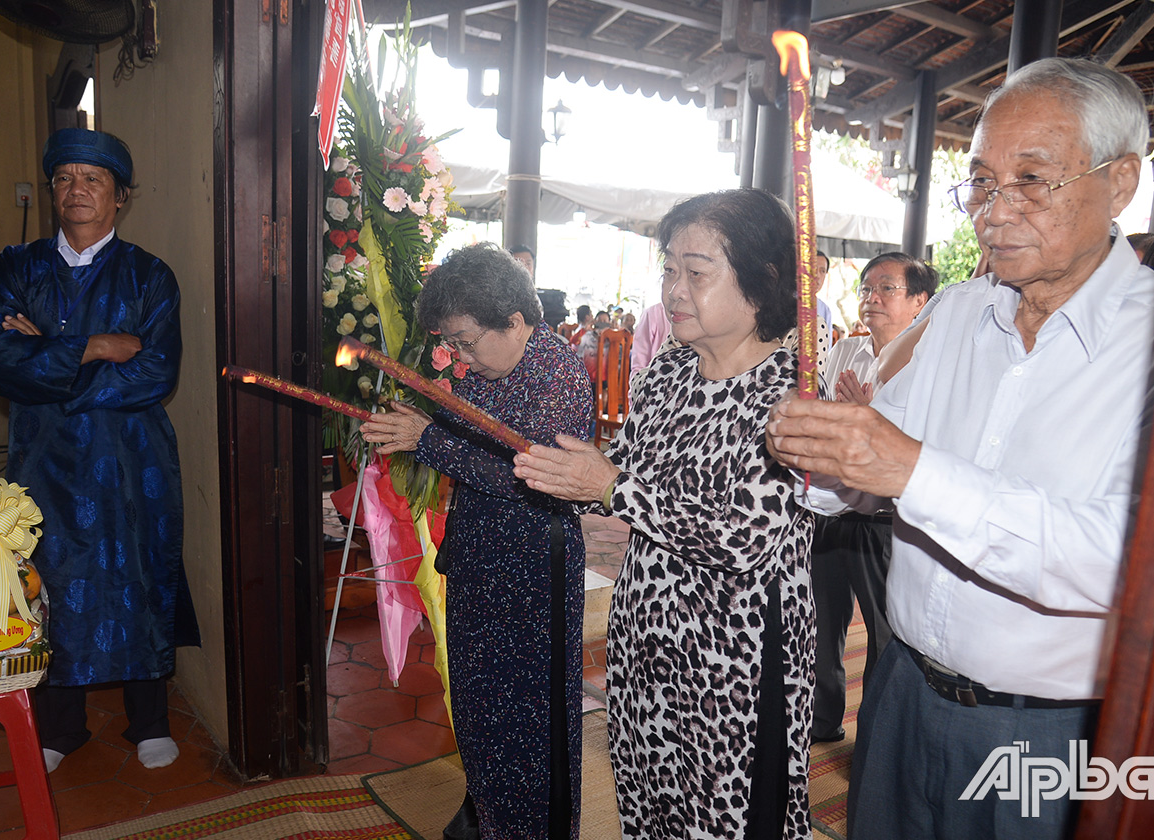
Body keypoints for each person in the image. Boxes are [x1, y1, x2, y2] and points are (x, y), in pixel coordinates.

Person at [765, 57, 1154, 839]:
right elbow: (873, 479)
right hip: (899, 692)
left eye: (1031, 179)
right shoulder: (957, 313)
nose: (994, 211)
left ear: (1120, 184)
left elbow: (1129, 560)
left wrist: (910, 469)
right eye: (981, 182)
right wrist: (818, 456)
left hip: (1050, 733)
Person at [514, 189, 817, 838]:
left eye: (697, 272)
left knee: (725, 821)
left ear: (763, 282)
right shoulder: (669, 373)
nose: (674, 290)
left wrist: (610, 487)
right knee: (648, 809)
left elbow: (741, 537)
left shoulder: (794, 393)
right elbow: (624, 472)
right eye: (669, 269)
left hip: (733, 659)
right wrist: (563, 473)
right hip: (645, 639)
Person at [0, 127, 199, 773]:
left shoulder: (150, 275)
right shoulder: (16, 268)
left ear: (120, 196)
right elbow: (1, 366)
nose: (76, 190)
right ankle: (59, 729)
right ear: (51, 190)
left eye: (92, 179)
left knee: (138, 571)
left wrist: (47, 358)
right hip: (40, 458)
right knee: (47, 581)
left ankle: (148, 720)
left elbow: (154, 375)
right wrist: (93, 346)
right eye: (64, 178)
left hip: (131, 459)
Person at [360, 243, 591, 839]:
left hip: (532, 565)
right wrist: (415, 421)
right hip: (479, 557)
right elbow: (467, 439)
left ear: (514, 320)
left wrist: (428, 440)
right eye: (453, 343)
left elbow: (540, 484)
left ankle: (528, 828)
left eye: (467, 340)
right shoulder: (489, 366)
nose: (460, 356)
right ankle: (488, 815)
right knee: (480, 710)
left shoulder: (556, 372)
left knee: (529, 723)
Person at [807, 253, 934, 747]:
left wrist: (866, 420)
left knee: (886, 633)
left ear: (920, 302)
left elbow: (917, 442)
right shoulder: (845, 352)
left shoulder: (929, 364)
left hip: (885, 519)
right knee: (820, 619)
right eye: (865, 289)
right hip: (833, 506)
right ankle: (820, 720)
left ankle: (879, 738)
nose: (871, 299)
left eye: (886, 289)